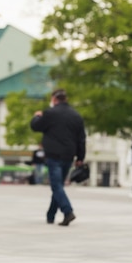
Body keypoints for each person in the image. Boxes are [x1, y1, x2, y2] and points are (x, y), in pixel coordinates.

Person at [30, 88, 86, 226]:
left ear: (54, 99)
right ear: (65, 99)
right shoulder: (76, 116)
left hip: (53, 155)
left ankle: (68, 211)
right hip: (69, 155)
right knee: (58, 185)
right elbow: (81, 139)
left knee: (56, 185)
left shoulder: (50, 113)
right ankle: (50, 215)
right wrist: (80, 157)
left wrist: (37, 116)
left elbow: (36, 126)